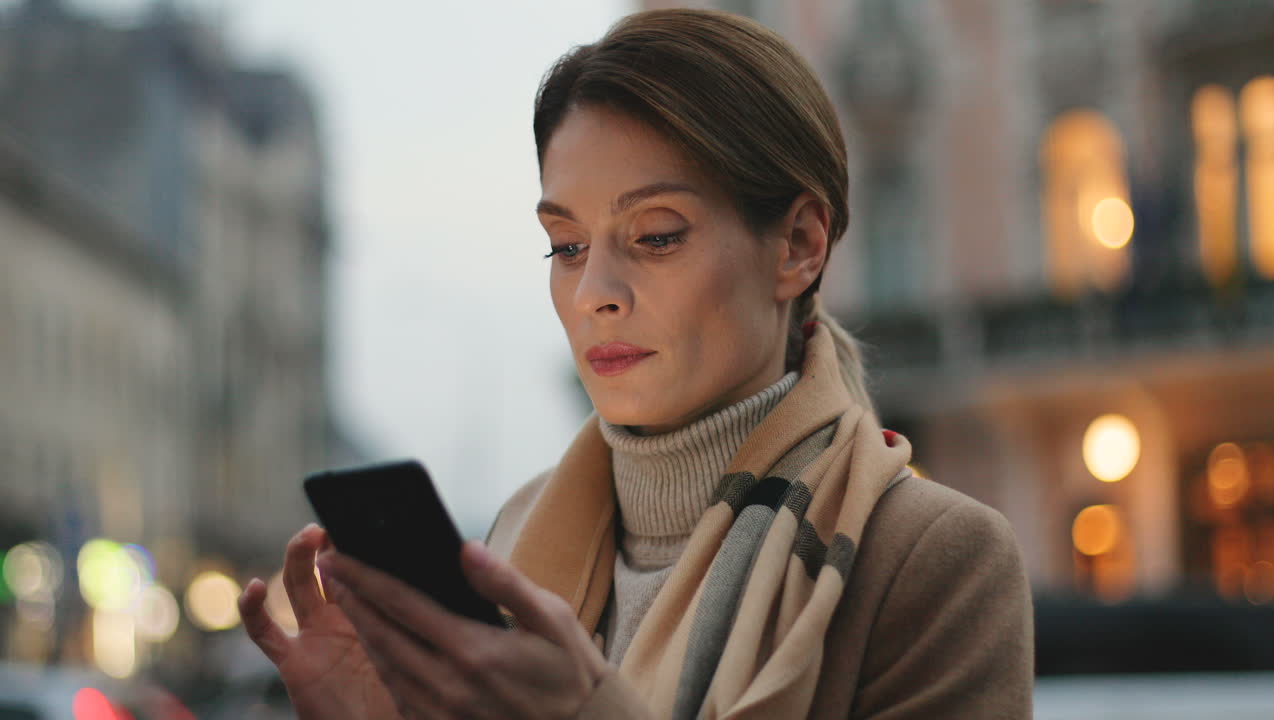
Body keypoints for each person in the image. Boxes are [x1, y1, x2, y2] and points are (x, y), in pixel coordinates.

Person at [238, 8, 1034, 719]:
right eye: (567, 246)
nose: (594, 294)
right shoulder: (510, 540)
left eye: (656, 235)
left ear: (798, 245)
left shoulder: (933, 558)